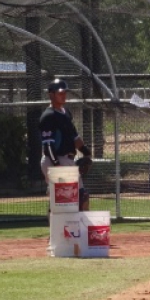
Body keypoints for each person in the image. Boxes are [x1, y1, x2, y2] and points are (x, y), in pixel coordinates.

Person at [39, 78, 93, 212]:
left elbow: (75, 137)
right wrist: (57, 166)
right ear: (51, 95)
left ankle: (75, 231)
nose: (64, 96)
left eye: (65, 93)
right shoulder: (48, 116)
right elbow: (48, 146)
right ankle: (57, 231)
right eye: (60, 93)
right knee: (64, 201)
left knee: (80, 198)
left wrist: (86, 153)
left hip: (67, 160)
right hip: (55, 159)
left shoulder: (66, 113)